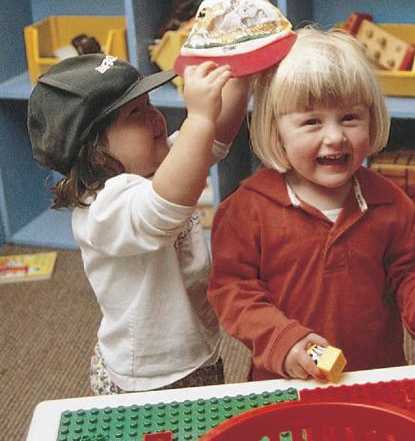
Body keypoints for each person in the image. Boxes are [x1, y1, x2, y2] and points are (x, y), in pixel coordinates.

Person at [208, 27, 415, 382]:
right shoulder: (246, 210)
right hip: (286, 379)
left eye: (349, 118)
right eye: (311, 122)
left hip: (376, 375)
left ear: (371, 119)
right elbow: (234, 292)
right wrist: (285, 343)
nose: (335, 137)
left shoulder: (391, 204)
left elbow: (412, 270)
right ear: (276, 129)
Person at [27, 53, 250, 393]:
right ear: (95, 149)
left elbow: (216, 137)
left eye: (149, 104)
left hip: (195, 348)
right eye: (135, 112)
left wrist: (245, 70)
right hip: (148, 374)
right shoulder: (103, 208)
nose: (154, 116)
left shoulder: (159, 166)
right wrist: (199, 118)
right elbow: (165, 206)